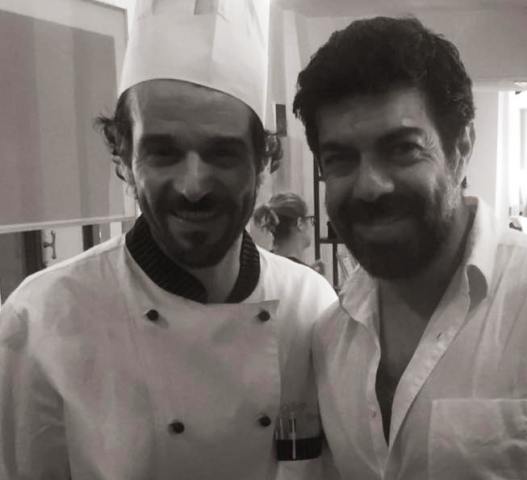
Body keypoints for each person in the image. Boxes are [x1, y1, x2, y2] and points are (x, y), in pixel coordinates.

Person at [293, 16, 527, 480]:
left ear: (461, 148)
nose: (370, 185)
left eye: (402, 149)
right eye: (340, 159)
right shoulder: (332, 336)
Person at [0, 1, 337, 478]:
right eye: (163, 152)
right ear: (124, 158)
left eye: (222, 153)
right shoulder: (40, 322)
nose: (193, 185)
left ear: (262, 163)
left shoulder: (313, 308)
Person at [253, 192, 314, 265]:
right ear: (300, 223)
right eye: (310, 219)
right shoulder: (302, 271)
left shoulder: (262, 264)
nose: (312, 225)